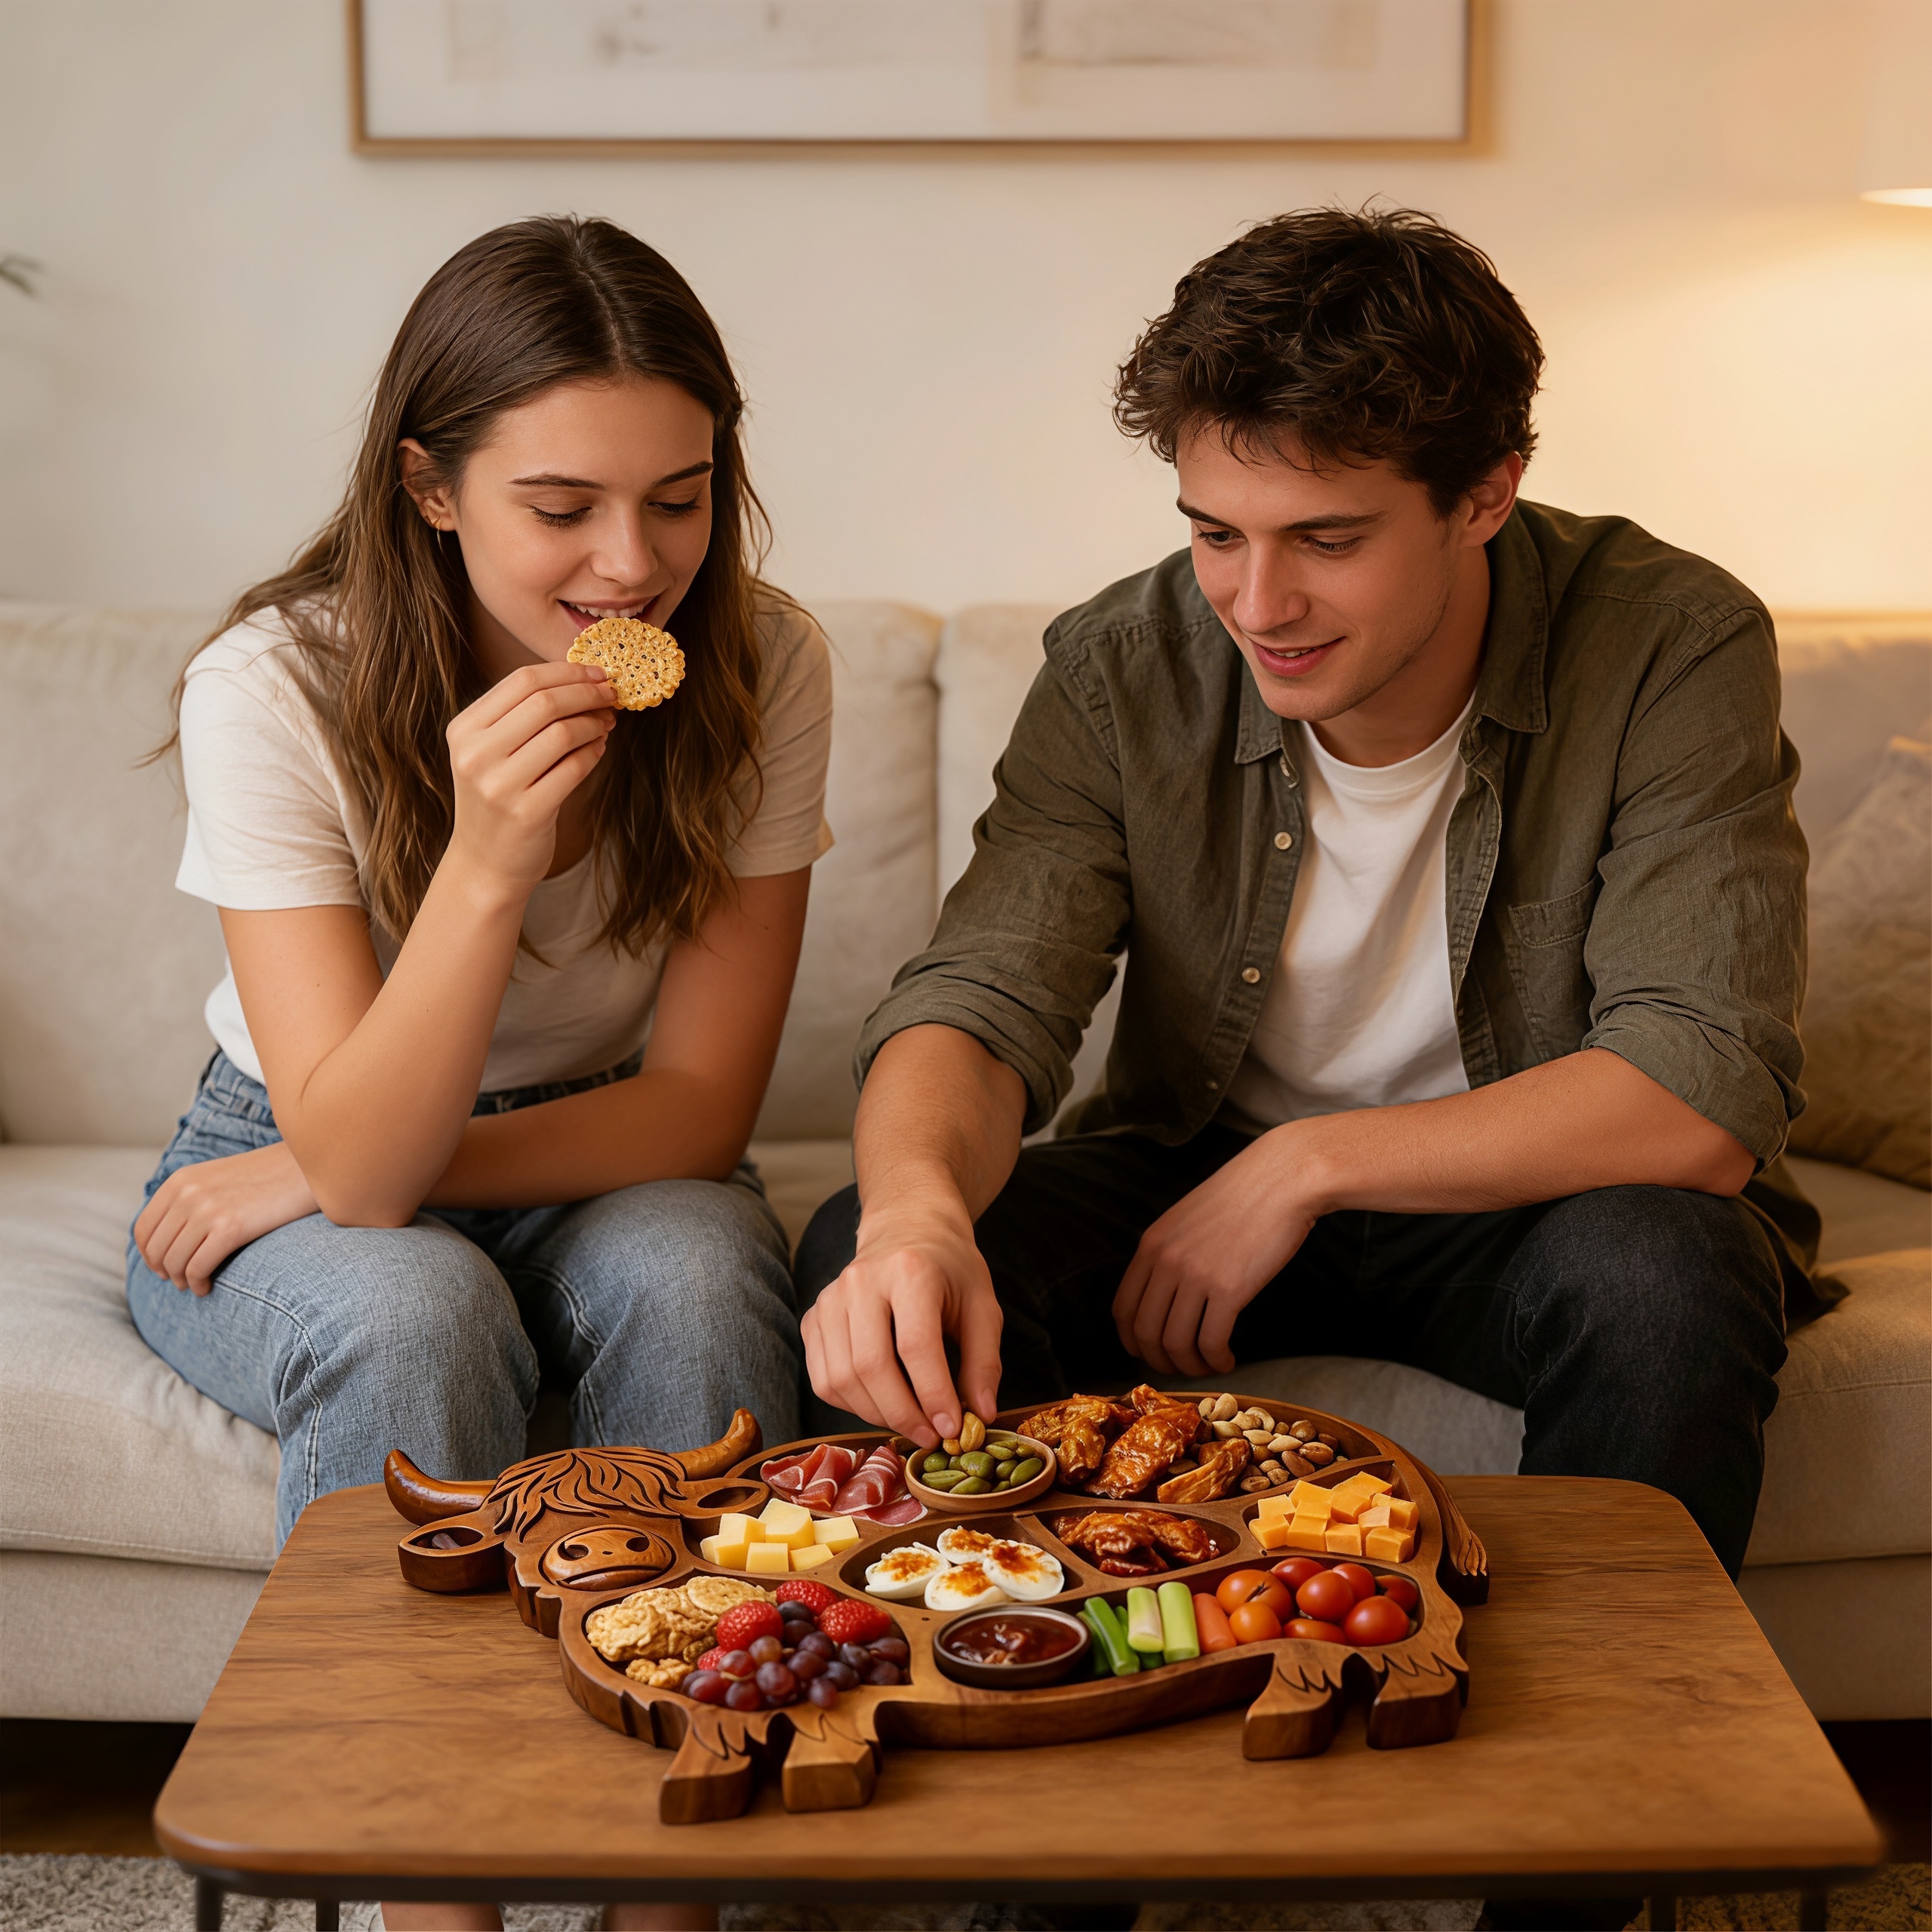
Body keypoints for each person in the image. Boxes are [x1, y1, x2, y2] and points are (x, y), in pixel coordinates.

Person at [798, 205, 1823, 1607]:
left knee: (1668, 1273)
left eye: (1328, 539)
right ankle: (1069, 1661)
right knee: (872, 1246)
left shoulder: (1670, 643)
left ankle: (1610, 1722)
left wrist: (1307, 1164)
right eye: (1216, 534)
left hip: (1529, 1200)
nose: (1259, 602)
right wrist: (916, 1215)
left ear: (1486, 494)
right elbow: (981, 997)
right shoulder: (1122, 667)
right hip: (1190, 1172)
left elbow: (1700, 1086)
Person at [128, 212, 822, 1647]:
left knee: (698, 1280)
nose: (632, 565)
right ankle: (404, 1792)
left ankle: (698, 1755)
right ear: (431, 488)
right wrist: (487, 864)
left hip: (594, 1137)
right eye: (562, 509)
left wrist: (322, 1173)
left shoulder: (766, 664)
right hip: (291, 1136)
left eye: (679, 500)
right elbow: (363, 1167)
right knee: (413, 1313)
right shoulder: (270, 688)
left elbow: (700, 1107)